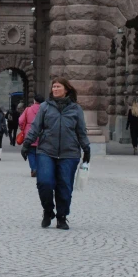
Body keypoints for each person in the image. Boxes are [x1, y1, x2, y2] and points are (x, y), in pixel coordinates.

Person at [21, 77, 90, 230]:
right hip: (46, 150)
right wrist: (27, 144)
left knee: (65, 187)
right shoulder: (45, 107)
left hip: (69, 153)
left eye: (58, 87)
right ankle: (48, 210)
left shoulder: (75, 109)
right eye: (54, 87)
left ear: (66, 89)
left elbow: (81, 131)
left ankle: (62, 217)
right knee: (44, 182)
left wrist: (86, 148)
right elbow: (35, 127)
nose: (55, 89)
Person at [19, 94, 44, 177]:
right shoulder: (45, 109)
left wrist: (23, 128)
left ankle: (34, 168)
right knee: (41, 153)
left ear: (34, 101)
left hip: (30, 132)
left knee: (31, 152)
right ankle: (40, 169)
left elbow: (21, 120)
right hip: (42, 133)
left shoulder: (28, 109)